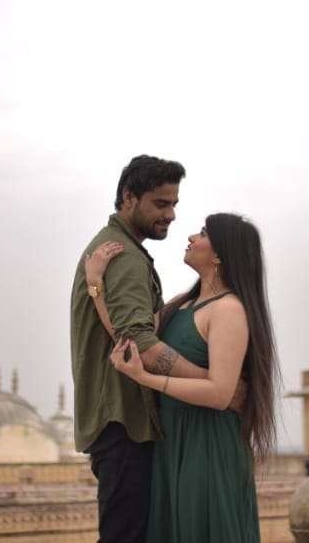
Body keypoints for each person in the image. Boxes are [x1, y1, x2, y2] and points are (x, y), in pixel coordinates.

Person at [94, 212, 278, 543]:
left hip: (208, 445)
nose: (192, 237)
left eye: (204, 233)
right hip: (173, 442)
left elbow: (220, 394)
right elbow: (131, 339)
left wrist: (146, 379)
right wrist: (95, 287)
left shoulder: (228, 310)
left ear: (220, 254)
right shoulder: (182, 305)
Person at [72, 155, 212, 543]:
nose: (171, 215)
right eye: (160, 204)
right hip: (124, 419)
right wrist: (213, 385)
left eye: (174, 204)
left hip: (121, 419)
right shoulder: (122, 256)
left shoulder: (120, 251)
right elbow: (138, 343)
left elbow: (144, 323)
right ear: (129, 198)